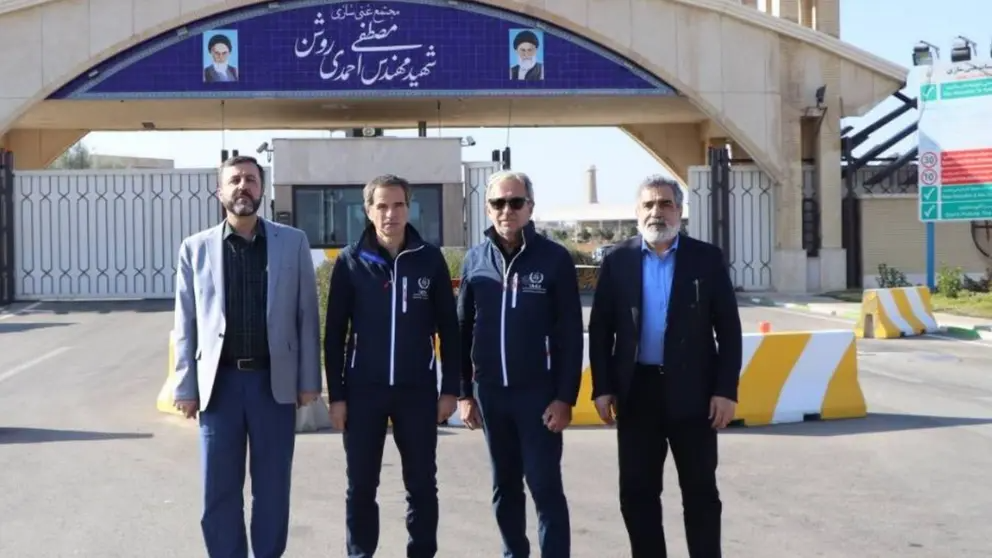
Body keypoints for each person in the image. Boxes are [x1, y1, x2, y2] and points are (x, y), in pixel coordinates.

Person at [172, 155, 322, 558]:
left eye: (251, 180)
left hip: (273, 384)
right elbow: (186, 322)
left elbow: (307, 315)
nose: (243, 186)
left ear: (262, 189)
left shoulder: (292, 242)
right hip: (219, 387)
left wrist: (309, 380)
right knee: (218, 488)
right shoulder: (195, 248)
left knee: (272, 487)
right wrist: (185, 387)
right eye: (235, 180)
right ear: (220, 192)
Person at [587, 175, 743, 558]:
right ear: (637, 211)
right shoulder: (618, 260)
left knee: (700, 493)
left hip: (695, 395)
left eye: (665, 204)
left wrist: (726, 391)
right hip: (637, 393)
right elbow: (601, 329)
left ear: (680, 210)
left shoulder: (706, 259)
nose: (657, 212)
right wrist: (603, 387)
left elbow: (728, 329)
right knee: (637, 493)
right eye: (649, 205)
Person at [323, 174, 461, 558]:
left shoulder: (429, 259)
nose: (390, 214)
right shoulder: (351, 261)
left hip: (416, 391)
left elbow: (450, 330)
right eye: (381, 206)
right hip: (363, 392)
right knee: (361, 486)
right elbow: (334, 334)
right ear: (368, 211)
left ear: (408, 208)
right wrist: (337, 397)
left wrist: (450, 389)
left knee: (422, 485)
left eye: (398, 205)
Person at [457, 170, 583, 558]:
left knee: (544, 486)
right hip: (491, 394)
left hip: (538, 395)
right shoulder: (475, 260)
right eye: (498, 203)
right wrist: (464, 394)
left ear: (530, 207)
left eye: (515, 202)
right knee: (505, 487)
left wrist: (564, 398)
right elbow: (461, 331)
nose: (506, 210)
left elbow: (570, 335)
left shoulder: (554, 259)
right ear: (487, 208)